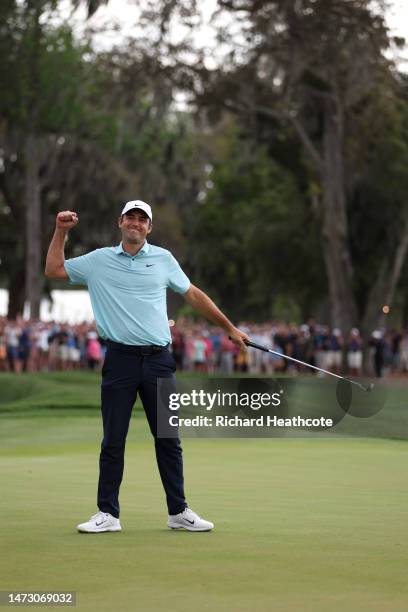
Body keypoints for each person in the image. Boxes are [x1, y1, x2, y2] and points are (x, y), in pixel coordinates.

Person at [45, 200, 249, 533]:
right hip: (120, 360)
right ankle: (108, 514)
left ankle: (178, 511)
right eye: (131, 218)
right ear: (120, 222)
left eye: (143, 219)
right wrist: (60, 232)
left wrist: (228, 327)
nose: (136, 223)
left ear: (149, 227)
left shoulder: (164, 259)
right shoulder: (98, 261)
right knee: (113, 439)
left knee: (168, 437)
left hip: (159, 362)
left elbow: (193, 294)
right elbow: (54, 270)